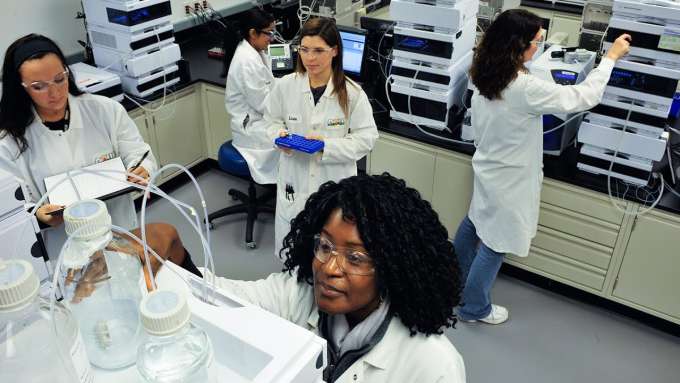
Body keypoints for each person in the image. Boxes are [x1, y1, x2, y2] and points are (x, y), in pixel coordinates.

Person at [453, 9, 632, 324]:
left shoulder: (483, 66)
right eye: (535, 43)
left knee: (474, 223)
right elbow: (582, 96)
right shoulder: (523, 86)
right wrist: (611, 58)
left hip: (488, 165)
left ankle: (450, 284)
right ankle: (473, 308)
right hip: (511, 177)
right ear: (516, 45)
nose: (538, 48)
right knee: (496, 244)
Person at [202, 173, 466, 382]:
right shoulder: (298, 292)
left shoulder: (434, 366)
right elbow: (221, 299)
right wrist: (178, 258)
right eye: (325, 246)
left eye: (355, 258)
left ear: (390, 268)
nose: (328, 268)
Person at [0, 34, 201, 277]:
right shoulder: (9, 141)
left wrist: (142, 169)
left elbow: (140, 154)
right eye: (39, 87)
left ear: (67, 72)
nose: (54, 93)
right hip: (65, 252)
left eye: (59, 79)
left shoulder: (104, 111)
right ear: (19, 87)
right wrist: (40, 217)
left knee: (133, 286)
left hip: (120, 233)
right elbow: (15, 210)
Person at [265, 17, 379, 256]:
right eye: (304, 50)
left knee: (330, 257)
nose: (310, 58)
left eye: (318, 50)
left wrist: (324, 147)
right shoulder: (286, 86)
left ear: (334, 51)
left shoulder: (352, 94)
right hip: (293, 183)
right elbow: (271, 121)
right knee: (293, 256)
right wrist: (279, 136)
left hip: (334, 184)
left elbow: (367, 138)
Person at [224, 8, 279, 183]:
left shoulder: (255, 51)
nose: (272, 38)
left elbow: (269, 84)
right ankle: (287, 189)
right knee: (291, 141)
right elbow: (263, 104)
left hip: (257, 118)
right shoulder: (246, 62)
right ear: (253, 33)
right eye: (268, 33)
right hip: (251, 128)